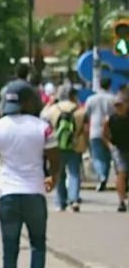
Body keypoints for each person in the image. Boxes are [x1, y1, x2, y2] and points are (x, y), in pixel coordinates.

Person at [0, 81, 59, 268]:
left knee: (10, 252)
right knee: (38, 244)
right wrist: (53, 179)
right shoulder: (43, 128)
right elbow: (55, 160)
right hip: (34, 193)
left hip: (7, 195)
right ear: (29, 102)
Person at [40, 84, 87, 212]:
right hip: (75, 144)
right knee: (74, 172)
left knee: (59, 174)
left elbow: (43, 120)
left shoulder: (53, 109)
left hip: (56, 144)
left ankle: (61, 203)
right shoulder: (80, 110)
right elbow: (86, 128)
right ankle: (74, 199)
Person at [85, 75, 116, 191]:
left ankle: (101, 176)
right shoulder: (113, 99)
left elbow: (86, 114)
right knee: (107, 157)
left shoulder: (91, 99)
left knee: (97, 156)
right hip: (110, 131)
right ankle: (104, 176)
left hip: (95, 130)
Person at [102, 92, 129, 212]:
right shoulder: (110, 119)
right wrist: (110, 146)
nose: (119, 108)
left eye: (121, 105)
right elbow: (104, 135)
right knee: (121, 173)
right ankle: (121, 201)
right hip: (119, 148)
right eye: (116, 106)